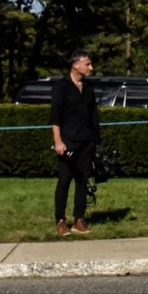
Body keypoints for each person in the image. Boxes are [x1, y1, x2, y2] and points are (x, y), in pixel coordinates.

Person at [49, 49, 99, 236]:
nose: (91, 68)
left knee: (82, 180)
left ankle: (79, 218)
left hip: (86, 142)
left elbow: (93, 116)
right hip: (68, 143)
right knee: (65, 179)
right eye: (87, 64)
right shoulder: (61, 87)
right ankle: (60, 220)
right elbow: (55, 117)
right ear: (75, 65)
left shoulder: (89, 88)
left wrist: (96, 142)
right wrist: (58, 141)